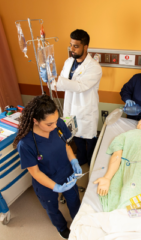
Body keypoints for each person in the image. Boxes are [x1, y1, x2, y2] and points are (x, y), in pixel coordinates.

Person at [13, 95, 82, 239]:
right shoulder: (26, 144)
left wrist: (74, 161)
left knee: (75, 201)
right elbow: (36, 173)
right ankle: (62, 228)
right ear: (35, 121)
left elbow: (66, 146)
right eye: (49, 124)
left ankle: (79, 224)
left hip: (66, 173)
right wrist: (56, 187)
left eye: (56, 121)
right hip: (45, 182)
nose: (55, 126)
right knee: (52, 208)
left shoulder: (58, 124)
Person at [41, 29, 102, 166]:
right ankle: (81, 158)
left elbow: (80, 86)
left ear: (85, 47)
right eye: (71, 45)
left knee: (89, 138)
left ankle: (92, 160)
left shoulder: (94, 67)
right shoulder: (69, 62)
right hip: (71, 105)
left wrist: (57, 80)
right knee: (75, 135)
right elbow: (62, 84)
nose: (72, 49)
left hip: (86, 109)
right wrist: (50, 81)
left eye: (76, 46)